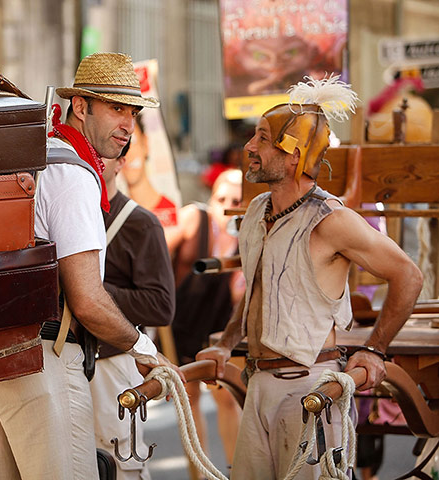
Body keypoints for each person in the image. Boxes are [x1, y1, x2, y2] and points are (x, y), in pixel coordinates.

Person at [0, 52, 182, 480]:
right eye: (116, 109)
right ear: (81, 107)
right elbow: (88, 300)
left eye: (133, 113)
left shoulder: (33, 154)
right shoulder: (73, 174)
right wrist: (144, 348)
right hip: (39, 363)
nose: (127, 126)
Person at [195, 77, 423, 479]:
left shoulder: (332, 221)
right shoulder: (256, 212)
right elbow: (256, 291)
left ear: (294, 154)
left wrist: (375, 351)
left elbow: (408, 274)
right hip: (258, 384)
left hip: (312, 389)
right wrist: (226, 344)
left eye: (262, 139)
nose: (248, 147)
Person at [89, 141, 176, 479]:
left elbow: (161, 306)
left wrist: (89, 291)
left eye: (101, 156)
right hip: (63, 363)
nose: (92, 161)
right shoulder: (62, 211)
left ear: (121, 162)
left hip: (112, 363)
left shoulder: (141, 223)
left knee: (120, 467)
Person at [166, 168, 244, 470]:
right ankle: (199, 472)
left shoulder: (247, 237)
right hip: (182, 321)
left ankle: (235, 472)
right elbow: (156, 250)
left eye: (235, 199)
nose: (226, 204)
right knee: (189, 400)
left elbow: (242, 295)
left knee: (226, 399)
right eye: (221, 196)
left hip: (218, 326)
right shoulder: (194, 218)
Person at [122, 114, 177, 227]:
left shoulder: (169, 211)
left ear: (145, 144)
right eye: (121, 143)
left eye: (132, 142)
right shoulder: (116, 213)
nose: (128, 155)